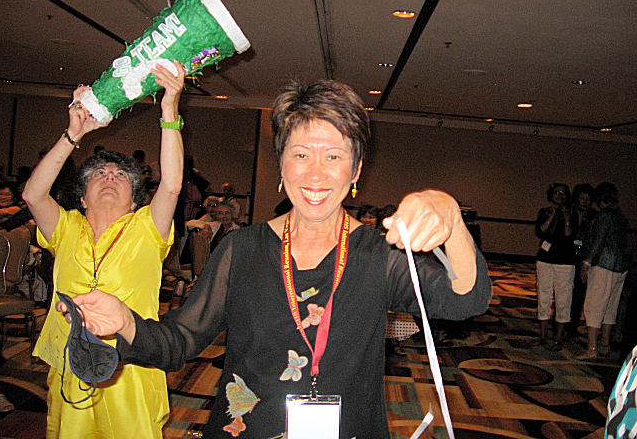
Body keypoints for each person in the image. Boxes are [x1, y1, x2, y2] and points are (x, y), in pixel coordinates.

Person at [59, 79, 491, 439]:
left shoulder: (380, 256)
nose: (316, 174)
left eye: (334, 156)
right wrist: (125, 321)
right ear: (281, 166)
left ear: (356, 170)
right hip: (246, 428)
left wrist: (450, 215)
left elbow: (465, 299)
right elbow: (180, 341)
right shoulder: (242, 249)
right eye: (300, 155)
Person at [22, 61, 185, 438]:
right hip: (72, 358)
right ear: (82, 197)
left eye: (121, 175)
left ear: (134, 201)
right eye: (99, 173)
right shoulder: (66, 227)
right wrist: (73, 134)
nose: (110, 176)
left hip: (132, 363)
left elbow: (172, 186)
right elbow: (33, 194)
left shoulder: (146, 227)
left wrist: (169, 109)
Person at [578, 182, 630, 360]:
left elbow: (599, 241)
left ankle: (592, 348)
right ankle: (605, 345)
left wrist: (587, 262)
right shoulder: (621, 216)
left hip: (604, 265)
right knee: (610, 307)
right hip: (620, 266)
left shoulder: (605, 216)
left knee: (594, 305)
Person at [534, 183, 577, 350]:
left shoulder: (572, 214)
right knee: (543, 295)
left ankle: (558, 337)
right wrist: (551, 216)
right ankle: (543, 335)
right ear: (551, 194)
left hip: (565, 261)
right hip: (545, 259)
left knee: (563, 298)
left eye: (563, 193)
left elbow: (569, 234)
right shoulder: (544, 212)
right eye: (557, 192)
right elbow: (540, 231)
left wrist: (566, 218)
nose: (559, 195)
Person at [566, 183, 597, 339]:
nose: (585, 202)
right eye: (582, 198)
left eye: (588, 199)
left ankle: (573, 325)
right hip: (567, 255)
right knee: (564, 290)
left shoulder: (594, 216)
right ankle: (561, 322)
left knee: (579, 293)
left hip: (584, 257)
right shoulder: (569, 212)